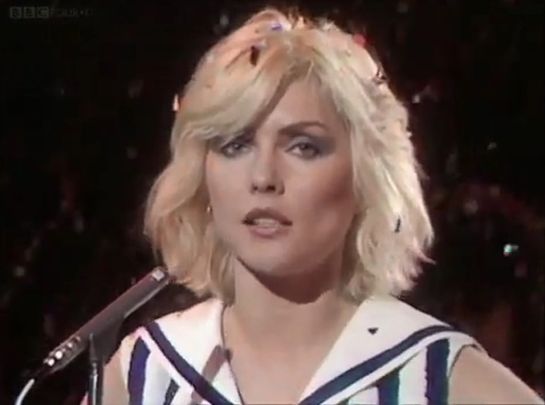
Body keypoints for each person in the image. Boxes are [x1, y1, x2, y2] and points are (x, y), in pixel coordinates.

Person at [97, 8, 543, 404]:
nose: (263, 177)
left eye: (303, 147)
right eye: (236, 145)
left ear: (366, 177)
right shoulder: (146, 374)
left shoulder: (434, 376)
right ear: (201, 176)